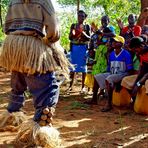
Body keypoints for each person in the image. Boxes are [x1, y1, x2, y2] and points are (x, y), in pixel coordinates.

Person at [0, 0, 71, 146]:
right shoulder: (43, 1)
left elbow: (6, 27)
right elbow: (53, 31)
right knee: (46, 86)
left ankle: (12, 114)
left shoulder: (14, 1)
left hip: (12, 46)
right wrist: (50, 41)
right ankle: (40, 128)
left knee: (18, 80)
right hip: (32, 46)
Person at [87, 36, 133, 111]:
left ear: (121, 44)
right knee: (97, 76)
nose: (113, 42)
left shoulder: (126, 54)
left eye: (116, 41)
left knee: (109, 78)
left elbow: (130, 69)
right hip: (112, 73)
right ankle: (94, 99)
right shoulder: (112, 54)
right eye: (113, 41)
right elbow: (109, 67)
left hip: (123, 74)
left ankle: (109, 103)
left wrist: (123, 80)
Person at [68, 10, 91, 93]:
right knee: (72, 67)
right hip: (74, 48)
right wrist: (73, 33)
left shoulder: (87, 26)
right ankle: (70, 86)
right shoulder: (73, 25)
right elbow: (70, 37)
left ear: (84, 17)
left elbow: (89, 38)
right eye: (79, 16)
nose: (80, 17)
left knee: (83, 68)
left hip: (83, 48)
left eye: (82, 16)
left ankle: (83, 87)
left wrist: (83, 34)